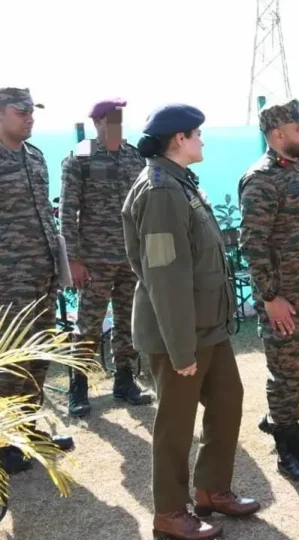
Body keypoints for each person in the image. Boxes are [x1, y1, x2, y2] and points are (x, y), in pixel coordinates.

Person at [122, 104, 259, 540]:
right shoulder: (161, 191)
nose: (202, 140)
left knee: (227, 399)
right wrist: (181, 349)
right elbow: (165, 278)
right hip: (178, 332)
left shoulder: (180, 181)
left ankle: (211, 490)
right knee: (176, 423)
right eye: (197, 134)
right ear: (179, 139)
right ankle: (169, 512)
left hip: (207, 326)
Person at [239, 100, 299, 483]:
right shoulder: (261, 179)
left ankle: (280, 418)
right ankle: (288, 447)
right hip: (285, 299)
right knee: (285, 373)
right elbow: (253, 244)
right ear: (278, 133)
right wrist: (270, 297)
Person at [60, 98, 152, 417]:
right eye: (111, 118)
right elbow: (67, 211)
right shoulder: (81, 156)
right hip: (94, 259)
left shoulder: (134, 156)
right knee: (88, 324)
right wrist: (73, 259)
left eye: (120, 118)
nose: (117, 124)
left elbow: (144, 204)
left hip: (130, 257)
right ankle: (78, 387)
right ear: (97, 122)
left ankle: (124, 381)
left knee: (128, 320)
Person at [0, 87, 74, 474]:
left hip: (43, 275)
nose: (30, 117)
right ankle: (4, 440)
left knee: (39, 355)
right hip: (6, 280)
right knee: (9, 360)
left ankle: (26, 430)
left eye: (32, 110)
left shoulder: (35, 157)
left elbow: (45, 213)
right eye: (21, 111)